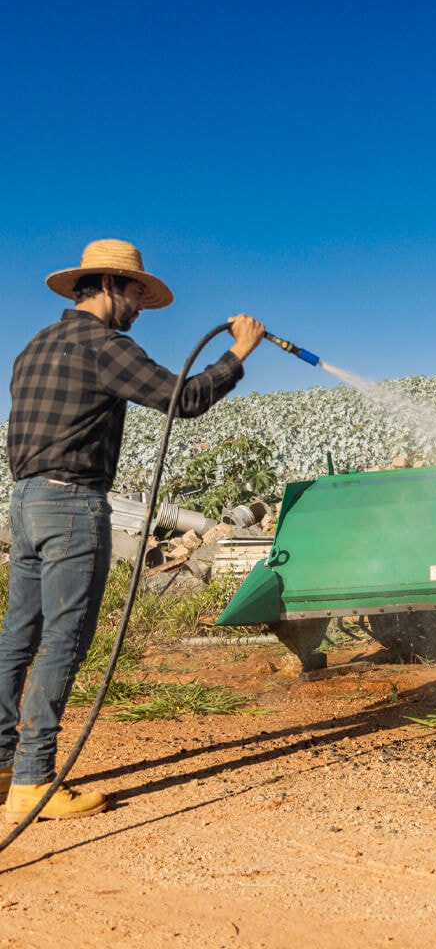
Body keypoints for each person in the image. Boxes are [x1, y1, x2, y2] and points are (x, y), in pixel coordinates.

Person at [0, 239, 265, 822]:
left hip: (24, 504)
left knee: (18, 634)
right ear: (108, 286)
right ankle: (32, 780)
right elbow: (184, 399)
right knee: (63, 641)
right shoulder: (105, 346)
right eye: (136, 294)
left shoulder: (33, 347)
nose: (140, 307)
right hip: (71, 507)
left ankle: (1, 764)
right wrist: (239, 353)